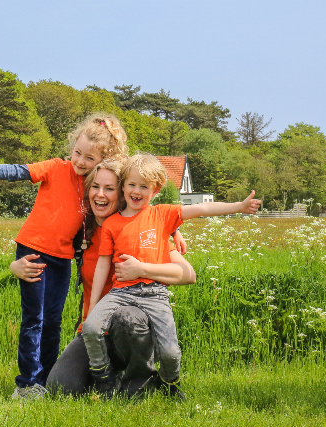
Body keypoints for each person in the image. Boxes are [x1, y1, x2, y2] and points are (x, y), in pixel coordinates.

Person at [0, 114, 127, 400]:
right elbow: (16, 171)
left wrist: (174, 230)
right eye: (77, 153)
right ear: (71, 147)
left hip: (62, 259)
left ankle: (45, 380)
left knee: (53, 321)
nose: (80, 161)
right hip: (33, 251)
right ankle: (26, 384)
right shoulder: (55, 168)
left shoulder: (93, 188)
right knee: (34, 319)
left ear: (102, 159)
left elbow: (137, 202)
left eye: (89, 158)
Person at [83, 152, 262, 398]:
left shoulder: (162, 215)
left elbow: (202, 208)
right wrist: (93, 306)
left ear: (155, 190)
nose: (136, 191)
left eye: (144, 186)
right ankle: (104, 380)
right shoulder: (112, 224)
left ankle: (169, 383)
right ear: (123, 186)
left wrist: (239, 207)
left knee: (170, 353)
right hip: (121, 292)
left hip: (155, 294)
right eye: (132, 184)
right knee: (91, 328)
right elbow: (103, 264)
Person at [11, 159, 196, 396]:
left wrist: (142, 269)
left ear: (122, 194)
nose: (100, 194)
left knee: (128, 317)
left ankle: (140, 381)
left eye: (109, 189)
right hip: (95, 330)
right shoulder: (82, 233)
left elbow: (188, 274)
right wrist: (15, 265)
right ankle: (108, 376)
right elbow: (46, 250)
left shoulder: (138, 232)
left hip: (130, 327)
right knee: (62, 387)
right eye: (94, 186)